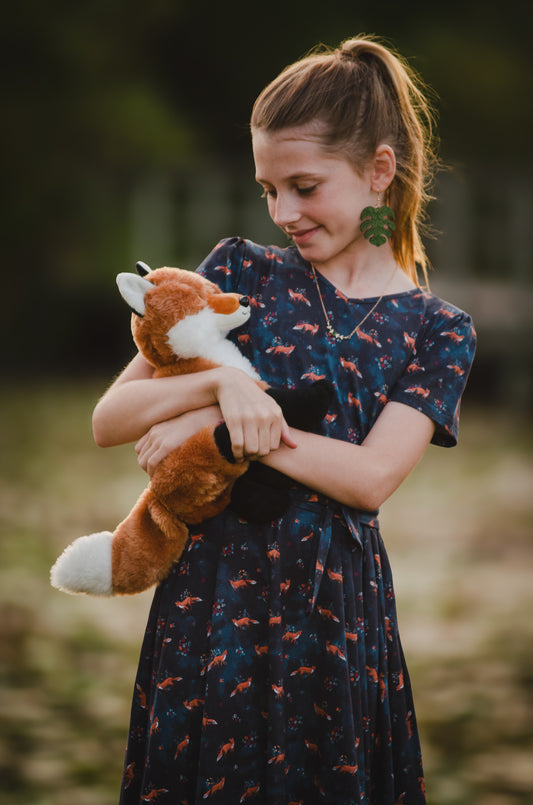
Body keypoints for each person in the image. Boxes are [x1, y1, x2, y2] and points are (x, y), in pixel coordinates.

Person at [94, 35, 476, 805]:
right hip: (210, 597)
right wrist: (215, 392)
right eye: (269, 189)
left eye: (303, 186)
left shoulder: (436, 329)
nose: (282, 212)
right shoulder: (238, 272)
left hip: (330, 614)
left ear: (377, 170)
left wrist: (242, 423)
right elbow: (112, 416)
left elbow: (368, 479)